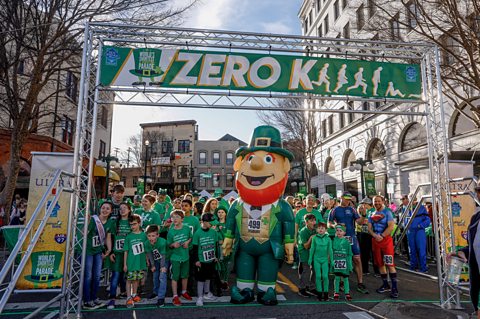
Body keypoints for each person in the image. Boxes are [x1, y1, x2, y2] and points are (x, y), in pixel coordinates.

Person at [448, 182, 480, 319]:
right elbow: (474, 245)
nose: (478, 194)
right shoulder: (476, 218)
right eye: (478, 191)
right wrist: (462, 252)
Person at [328, 192, 368, 294]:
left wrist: (363, 215)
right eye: (346, 199)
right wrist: (335, 226)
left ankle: (360, 283)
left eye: (349, 199)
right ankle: (341, 282)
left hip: (351, 237)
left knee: (357, 259)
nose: (348, 201)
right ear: (341, 198)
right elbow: (329, 223)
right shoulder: (334, 210)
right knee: (341, 258)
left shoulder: (352, 209)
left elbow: (359, 221)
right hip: (340, 238)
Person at [83, 201, 113, 309]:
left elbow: (108, 237)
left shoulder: (110, 222)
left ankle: (94, 297)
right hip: (88, 251)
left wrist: (109, 250)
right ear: (100, 209)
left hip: (98, 251)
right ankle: (87, 300)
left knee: (96, 276)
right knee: (88, 276)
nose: (105, 210)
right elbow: (84, 233)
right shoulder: (93, 219)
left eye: (107, 208)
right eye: (103, 208)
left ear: (111, 211)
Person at [368, 195, 398, 298]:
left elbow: (391, 226)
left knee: (390, 264)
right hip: (375, 241)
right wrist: (374, 235)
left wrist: (382, 235)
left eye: (378, 201)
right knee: (380, 264)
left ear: (383, 201)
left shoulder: (388, 212)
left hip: (386, 241)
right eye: (375, 201)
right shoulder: (371, 213)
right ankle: (385, 285)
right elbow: (369, 228)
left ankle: (394, 289)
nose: (377, 203)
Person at [107, 202, 132, 309]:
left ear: (129, 210)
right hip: (117, 253)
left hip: (130, 253)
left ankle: (126, 293)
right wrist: (110, 251)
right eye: (120, 208)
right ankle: (112, 297)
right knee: (116, 275)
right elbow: (110, 238)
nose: (122, 210)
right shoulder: (115, 222)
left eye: (125, 208)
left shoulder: (132, 222)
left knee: (127, 276)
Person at [192, 213, 221, 306]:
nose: (212, 224)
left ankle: (207, 293)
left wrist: (216, 256)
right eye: (210, 223)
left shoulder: (214, 232)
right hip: (201, 261)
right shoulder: (197, 233)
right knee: (201, 279)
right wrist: (196, 260)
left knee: (209, 277)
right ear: (204, 222)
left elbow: (216, 245)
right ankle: (200, 297)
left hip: (211, 259)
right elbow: (195, 248)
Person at [167, 210, 193, 306]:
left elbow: (191, 237)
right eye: (173, 217)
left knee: (185, 275)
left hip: (185, 256)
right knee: (175, 277)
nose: (175, 219)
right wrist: (173, 245)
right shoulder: (171, 231)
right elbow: (168, 245)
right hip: (175, 257)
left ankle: (184, 292)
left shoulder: (186, 228)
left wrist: (187, 242)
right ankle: (175, 296)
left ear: (182, 219)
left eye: (177, 217)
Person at [123, 214, 148, 308]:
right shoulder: (129, 237)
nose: (132, 226)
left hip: (140, 262)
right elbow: (126, 251)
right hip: (131, 262)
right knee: (130, 279)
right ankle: (128, 297)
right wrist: (125, 264)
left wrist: (146, 260)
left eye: (134, 224)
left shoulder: (144, 235)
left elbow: (145, 249)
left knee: (137, 279)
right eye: (130, 224)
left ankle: (134, 294)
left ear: (139, 223)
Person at [308, 222, 332, 301]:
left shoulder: (328, 239)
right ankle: (319, 293)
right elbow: (312, 249)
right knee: (318, 276)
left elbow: (330, 250)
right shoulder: (314, 238)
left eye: (322, 228)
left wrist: (332, 260)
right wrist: (310, 259)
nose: (321, 229)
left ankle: (326, 293)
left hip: (325, 259)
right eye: (319, 228)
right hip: (316, 259)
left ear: (325, 230)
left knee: (325, 276)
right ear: (316, 230)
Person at [405, 197, 431, 273]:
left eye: (414, 199)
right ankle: (413, 267)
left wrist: (421, 225)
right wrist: (406, 226)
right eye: (410, 199)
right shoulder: (407, 208)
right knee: (412, 249)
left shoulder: (422, 208)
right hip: (410, 231)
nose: (412, 201)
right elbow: (404, 219)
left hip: (419, 231)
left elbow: (427, 220)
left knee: (421, 249)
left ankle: (423, 268)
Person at [145, 224, 167, 307]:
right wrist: (152, 265)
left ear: (158, 235)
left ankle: (161, 297)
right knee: (155, 275)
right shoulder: (147, 243)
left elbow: (163, 255)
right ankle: (155, 292)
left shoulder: (162, 242)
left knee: (162, 276)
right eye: (149, 236)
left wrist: (162, 267)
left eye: (153, 236)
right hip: (156, 259)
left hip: (164, 259)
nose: (151, 238)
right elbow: (150, 254)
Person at [297, 214, 317, 297]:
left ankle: (312, 287)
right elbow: (305, 246)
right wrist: (311, 238)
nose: (314, 222)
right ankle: (302, 288)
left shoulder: (315, 229)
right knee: (306, 270)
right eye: (311, 221)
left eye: (314, 220)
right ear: (306, 222)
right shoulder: (303, 231)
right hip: (304, 252)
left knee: (315, 269)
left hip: (313, 252)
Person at [331, 224, 353, 301]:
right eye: (337, 230)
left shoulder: (347, 242)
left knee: (345, 278)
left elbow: (349, 254)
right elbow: (331, 252)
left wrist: (350, 265)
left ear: (344, 232)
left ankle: (347, 293)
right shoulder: (333, 240)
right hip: (336, 261)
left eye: (341, 231)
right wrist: (331, 261)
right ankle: (336, 292)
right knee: (337, 278)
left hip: (345, 262)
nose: (339, 232)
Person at [356, 197, 375, 275]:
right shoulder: (364, 211)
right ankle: (365, 270)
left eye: (364, 204)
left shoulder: (374, 211)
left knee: (373, 253)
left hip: (373, 234)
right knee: (364, 253)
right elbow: (360, 221)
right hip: (364, 233)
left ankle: (377, 271)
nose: (363, 205)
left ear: (368, 204)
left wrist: (368, 222)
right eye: (362, 204)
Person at [215, 206, 230, 290]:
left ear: (225, 214)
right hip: (218, 248)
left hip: (227, 247)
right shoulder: (215, 224)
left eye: (222, 212)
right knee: (219, 265)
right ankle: (220, 281)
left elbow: (231, 235)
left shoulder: (228, 224)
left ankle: (225, 281)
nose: (220, 214)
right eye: (219, 212)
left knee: (226, 265)